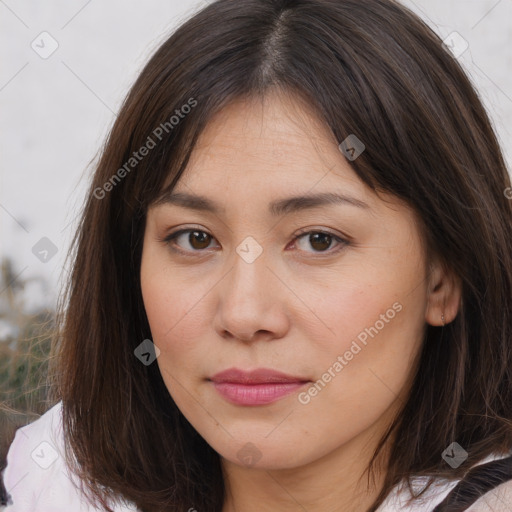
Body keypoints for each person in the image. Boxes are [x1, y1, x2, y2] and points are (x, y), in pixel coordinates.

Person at [2, 0, 512, 510]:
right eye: (194, 239)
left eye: (318, 240)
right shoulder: (51, 485)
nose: (244, 315)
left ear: (443, 278)